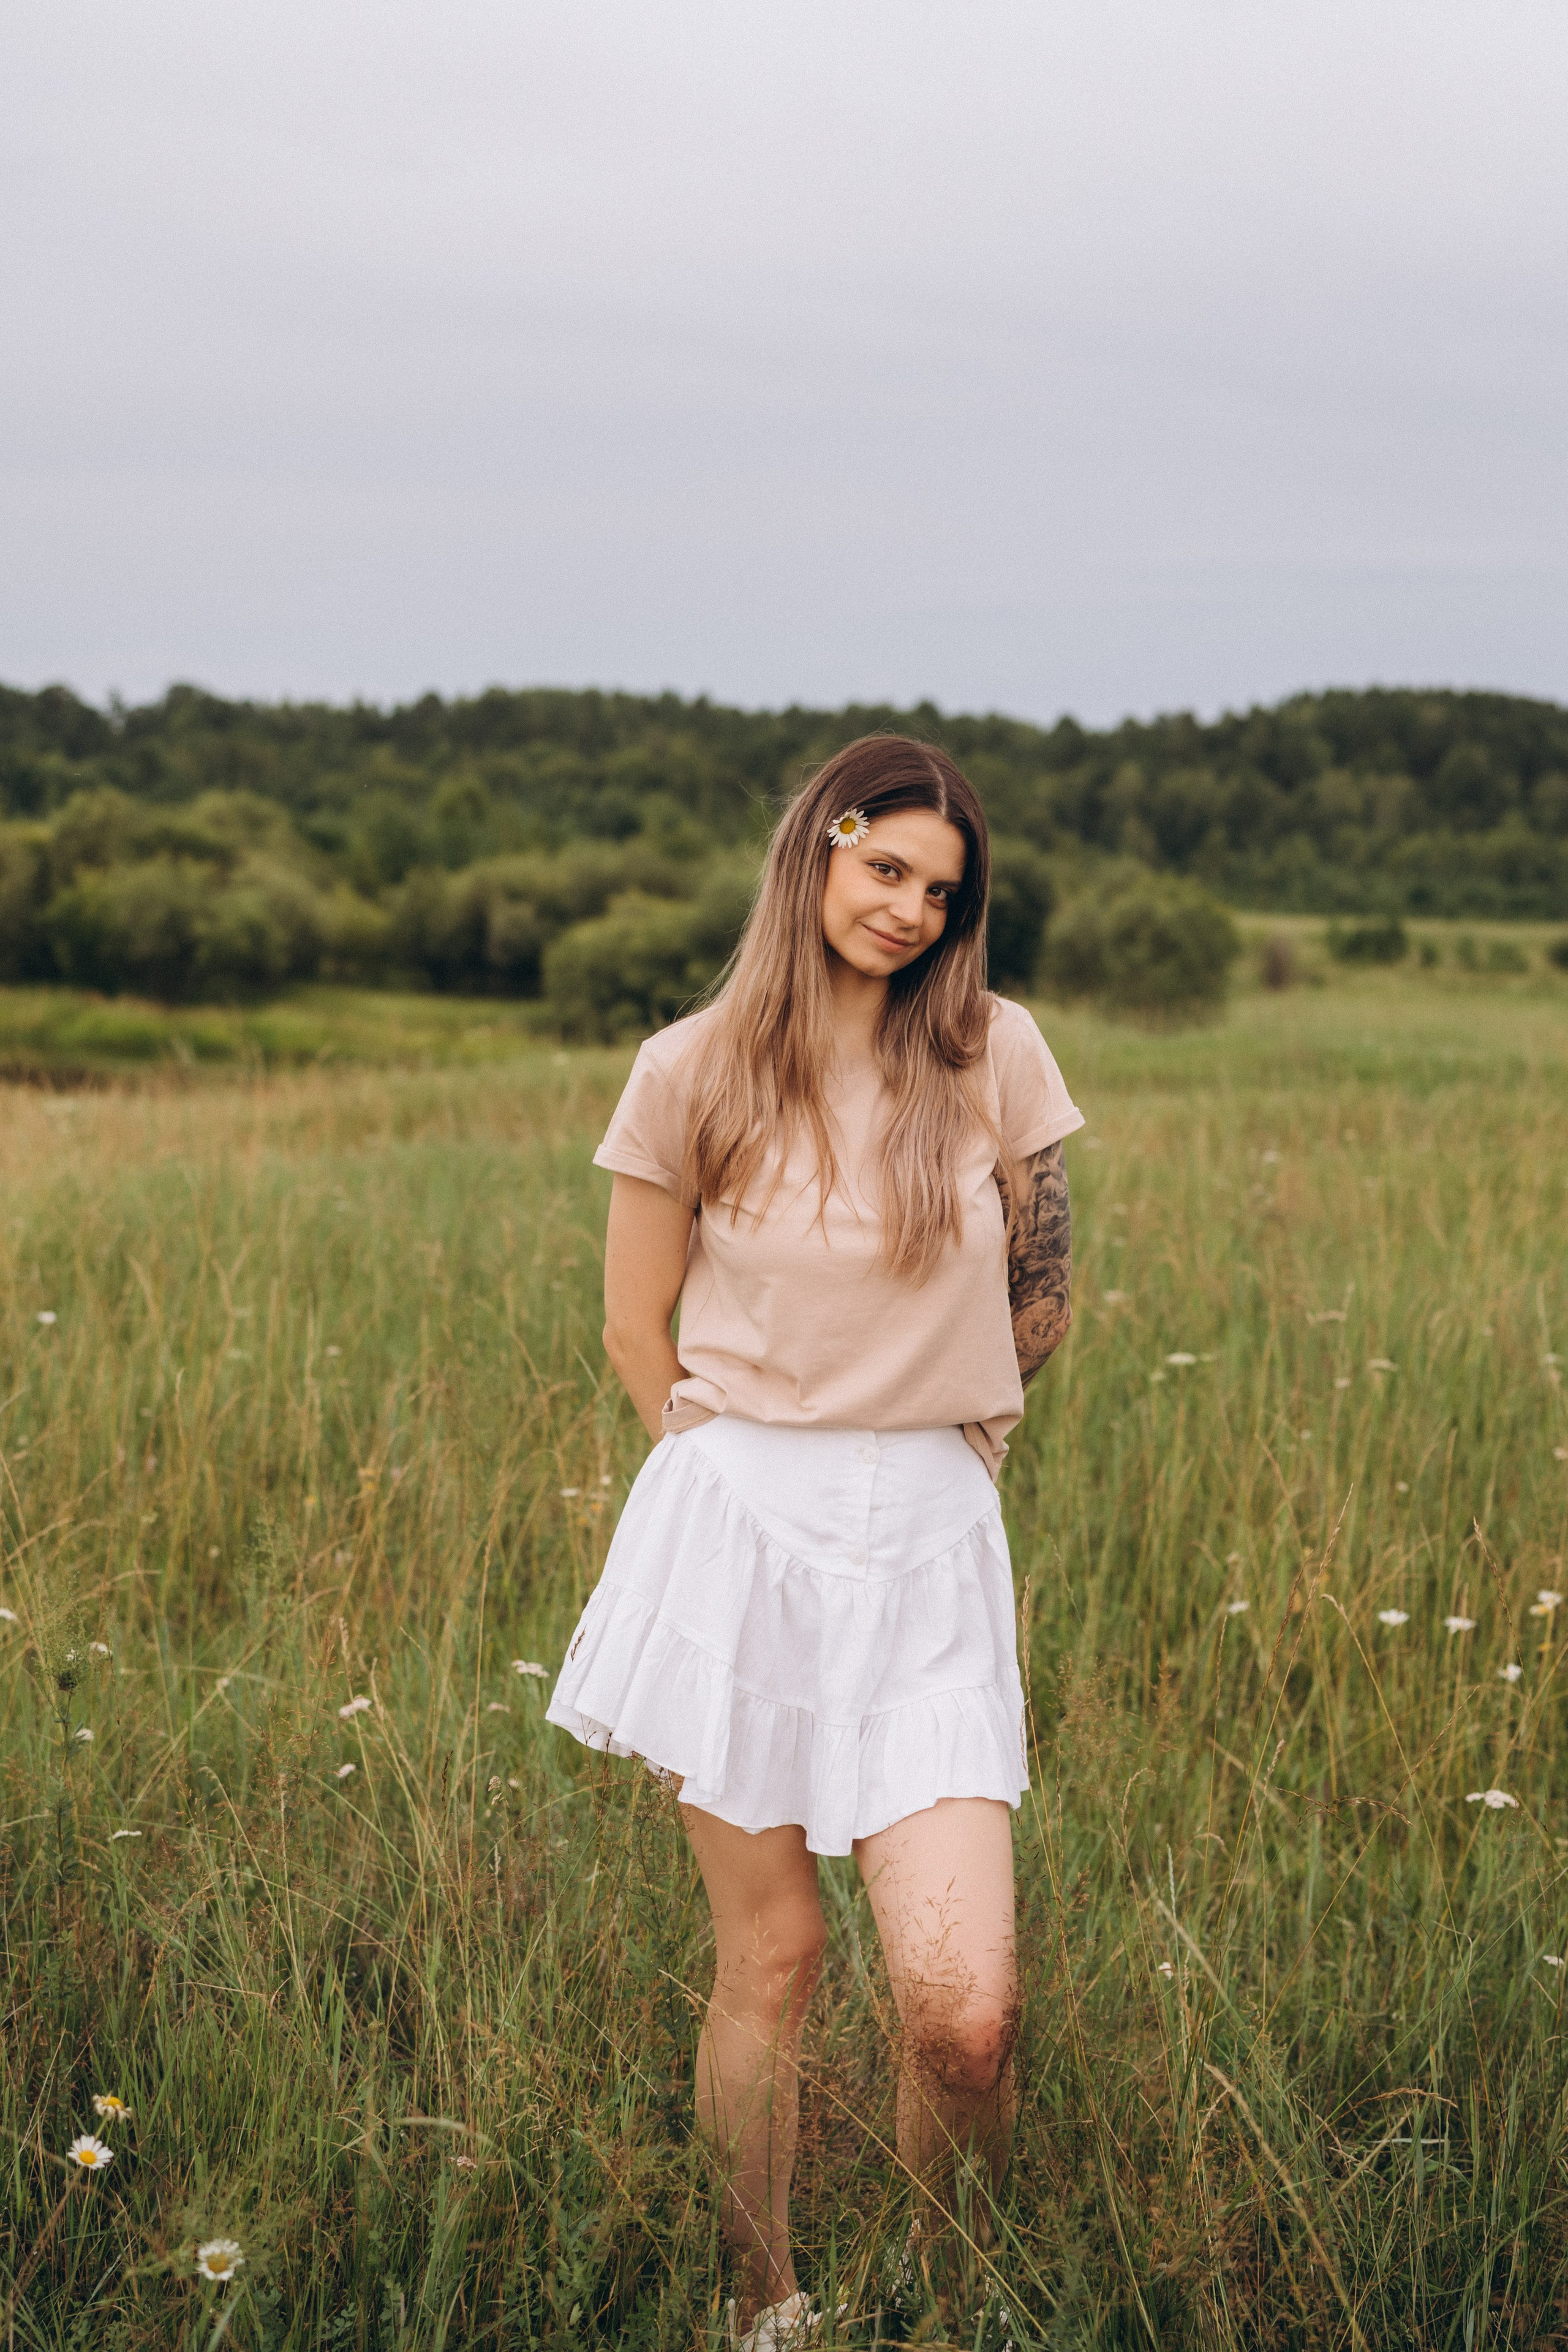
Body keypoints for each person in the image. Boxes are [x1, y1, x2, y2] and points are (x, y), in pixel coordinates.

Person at [547, 734, 1080, 2346]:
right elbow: (639, 1327)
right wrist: (723, 1488)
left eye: (944, 886)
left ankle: (942, 2308)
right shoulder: (692, 1067)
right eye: (885, 868)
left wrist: (952, 1437)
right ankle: (760, 2302)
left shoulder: (1000, 1054)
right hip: (743, 1535)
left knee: (964, 2013)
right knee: (771, 1961)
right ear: (818, 853)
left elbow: (1042, 1296)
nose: (912, 907)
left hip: (927, 1537)